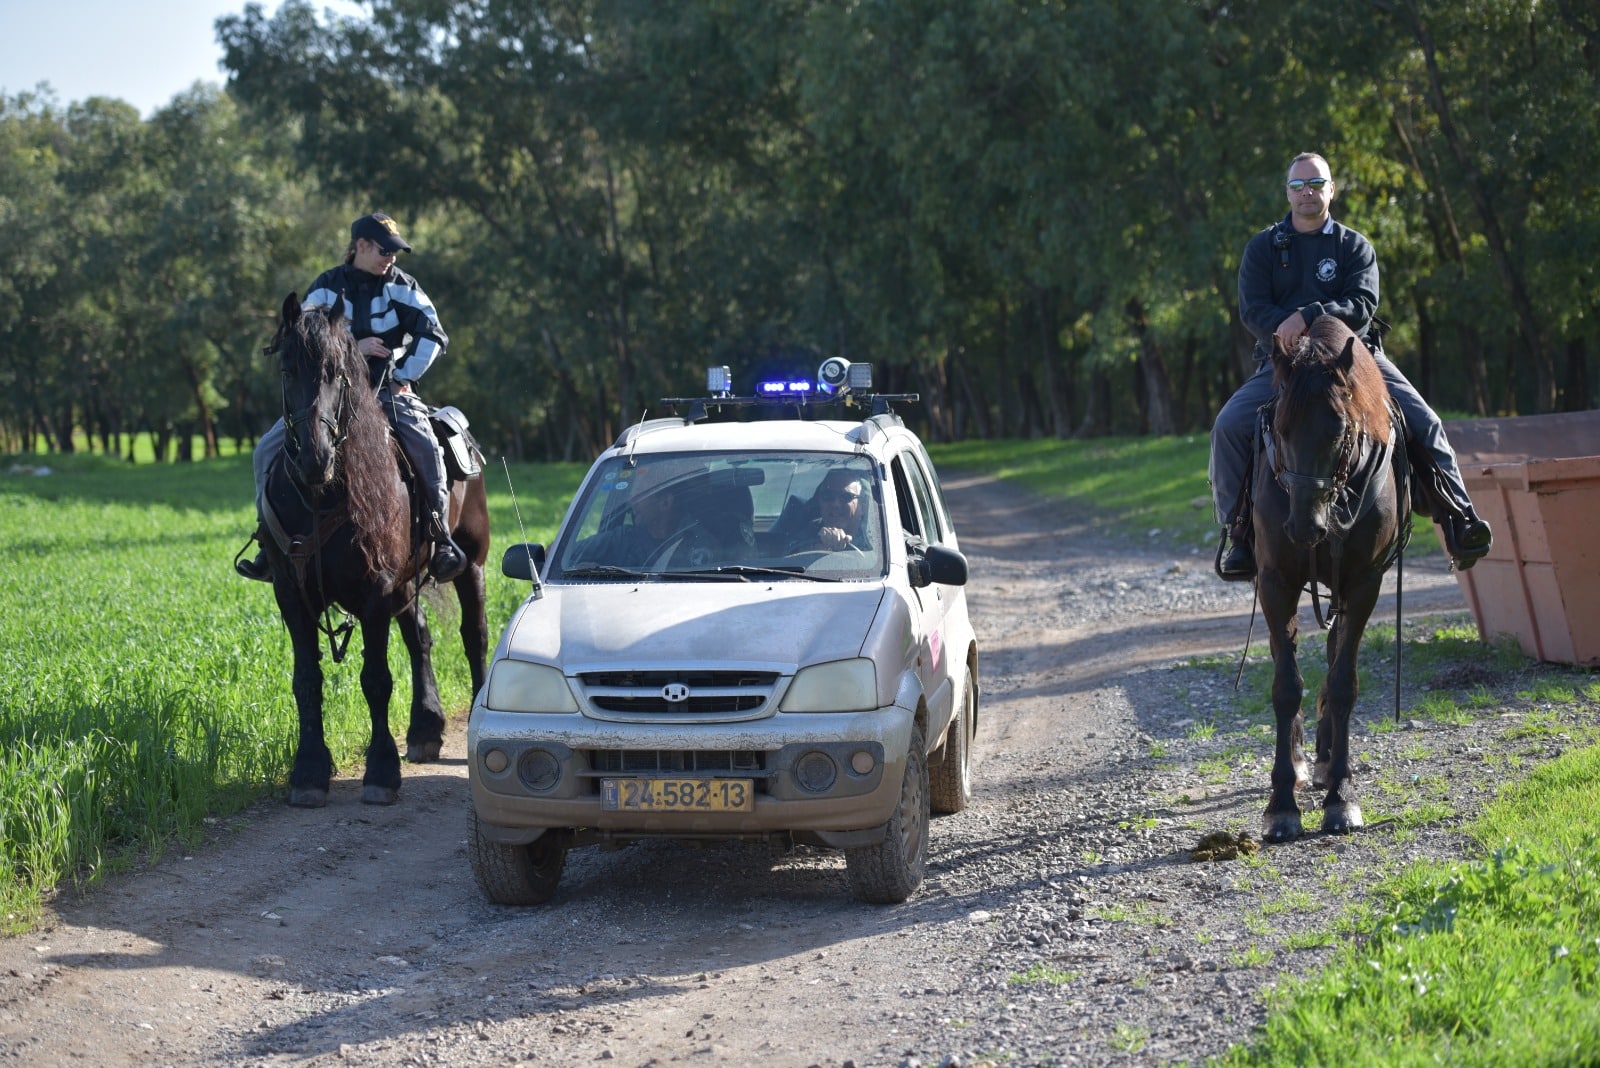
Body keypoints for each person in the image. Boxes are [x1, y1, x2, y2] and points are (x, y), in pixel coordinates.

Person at [1209, 152, 1493, 581]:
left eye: (1317, 184)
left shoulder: (1354, 246)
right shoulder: (1263, 247)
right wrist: (1284, 332)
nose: (1308, 192)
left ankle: (1459, 517)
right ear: (1287, 192)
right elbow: (1253, 310)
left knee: (1426, 421)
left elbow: (1362, 305)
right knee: (1228, 426)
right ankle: (1239, 531)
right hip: (1284, 363)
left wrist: (1307, 315)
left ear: (1331, 189)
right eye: (1299, 185)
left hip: (1354, 359)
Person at [237, 212, 466, 583]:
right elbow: (302, 338)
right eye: (384, 250)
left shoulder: (402, 286)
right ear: (360, 246)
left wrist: (401, 376)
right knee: (265, 449)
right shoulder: (326, 287)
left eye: (394, 252)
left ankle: (440, 539)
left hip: (386, 394)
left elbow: (434, 335)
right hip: (329, 401)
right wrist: (354, 347)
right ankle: (268, 542)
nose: (390, 258)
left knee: (426, 445)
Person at [785, 470, 874, 554]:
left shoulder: (876, 539)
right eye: (828, 496)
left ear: (862, 505)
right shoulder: (806, 534)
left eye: (846, 497)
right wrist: (816, 549)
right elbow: (788, 561)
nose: (836, 504)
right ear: (819, 502)